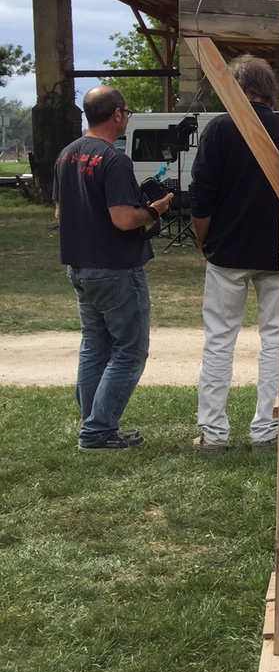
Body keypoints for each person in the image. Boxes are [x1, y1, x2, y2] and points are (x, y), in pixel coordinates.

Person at [52, 86, 174, 451]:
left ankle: (94, 423)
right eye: (128, 112)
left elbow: (60, 212)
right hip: (116, 267)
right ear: (117, 114)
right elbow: (123, 219)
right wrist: (155, 209)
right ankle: (97, 430)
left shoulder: (67, 154)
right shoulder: (114, 159)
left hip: (79, 265)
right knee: (130, 350)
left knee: (95, 345)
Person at [188, 56, 279, 453]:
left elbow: (201, 193)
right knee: (276, 342)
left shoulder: (221, 128)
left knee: (219, 342)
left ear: (239, 88)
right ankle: (267, 431)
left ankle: (213, 434)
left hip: (227, 251)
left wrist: (203, 239)